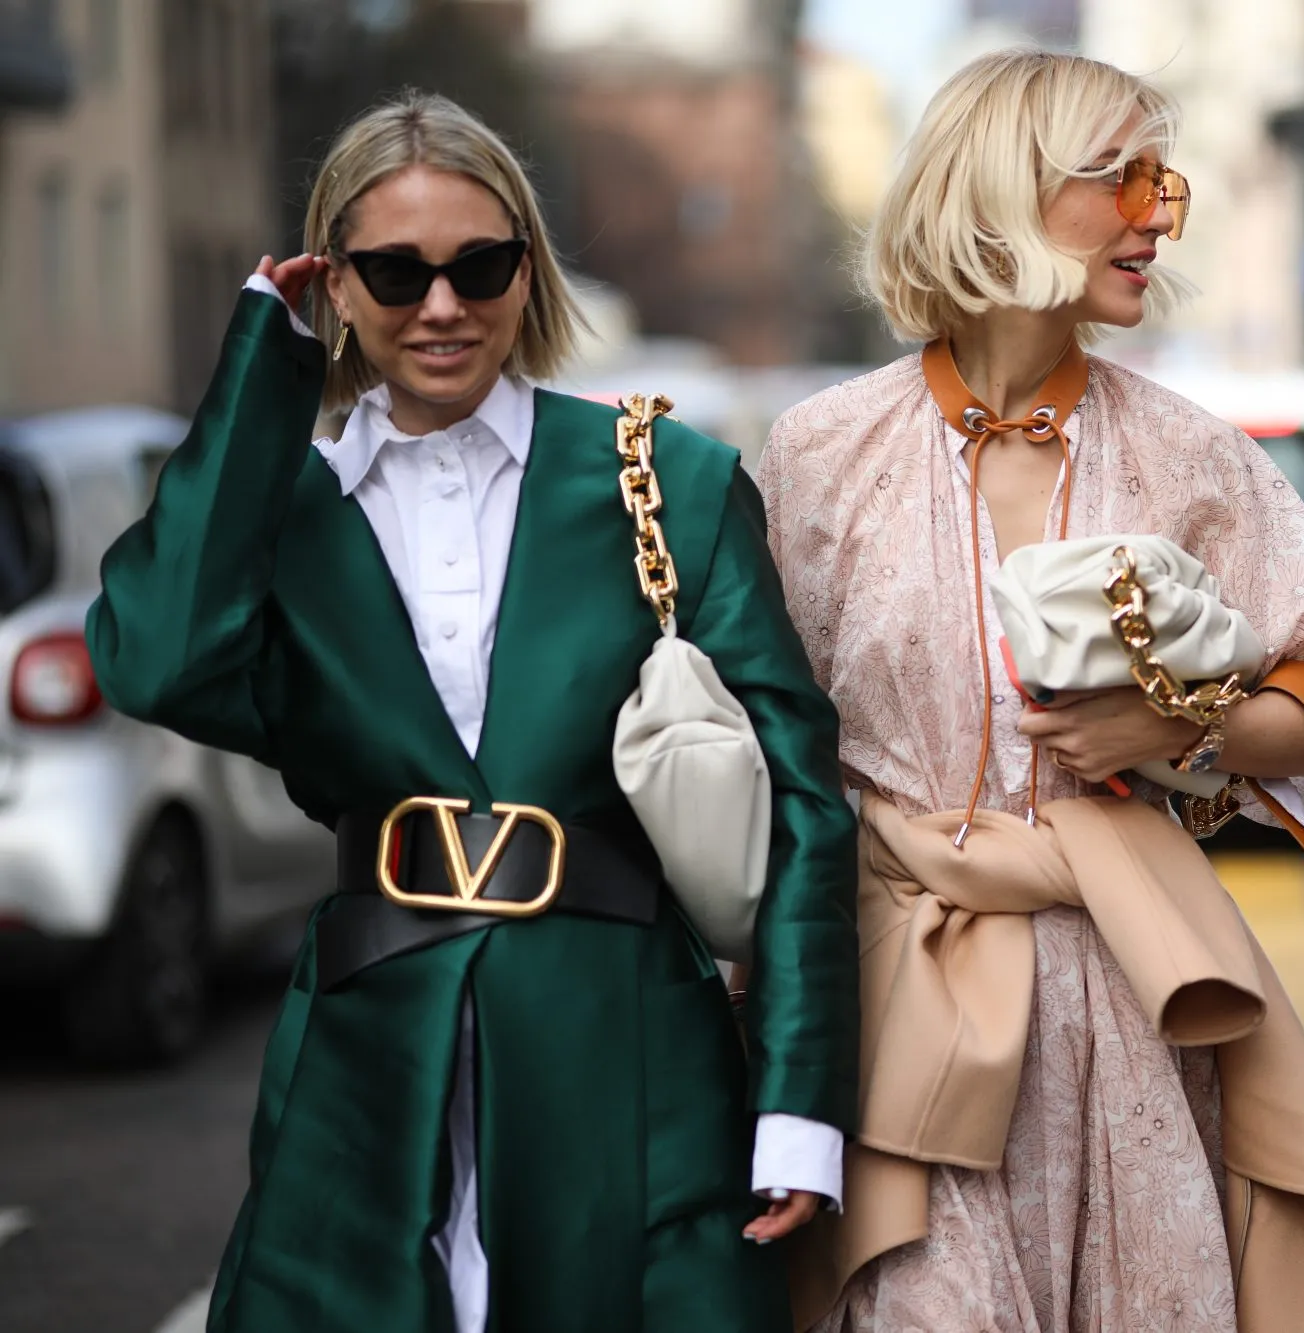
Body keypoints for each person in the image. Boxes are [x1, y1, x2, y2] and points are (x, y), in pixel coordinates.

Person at [85, 91, 857, 1332]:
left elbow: (808, 806)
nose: (441, 307)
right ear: (333, 286)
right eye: (393, 273)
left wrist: (801, 1102)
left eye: (479, 265)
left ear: (526, 269)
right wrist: (256, 371)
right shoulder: (282, 513)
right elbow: (153, 662)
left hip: (632, 1064)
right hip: (363, 1073)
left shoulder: (667, 481)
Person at [759, 48, 1304, 1333]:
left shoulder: (1191, 455)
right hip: (898, 988)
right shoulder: (818, 452)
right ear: (1001, 190)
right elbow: (775, 751)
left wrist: (1178, 726)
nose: (1159, 212)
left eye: (1167, 181)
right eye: (1124, 178)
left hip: (1133, 1002)